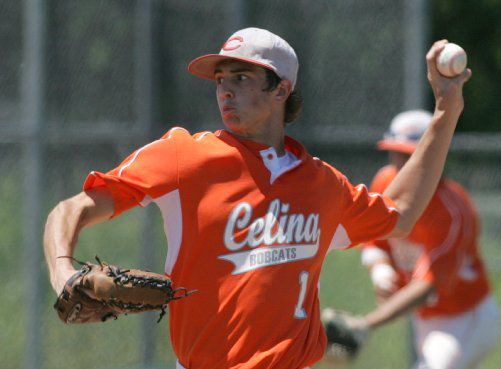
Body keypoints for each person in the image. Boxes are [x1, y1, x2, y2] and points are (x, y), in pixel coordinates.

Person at [43, 27, 471, 369]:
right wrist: (63, 273)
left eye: (242, 78)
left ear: (281, 90)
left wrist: (445, 111)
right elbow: (72, 209)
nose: (225, 90)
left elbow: (400, 213)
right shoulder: (185, 157)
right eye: (220, 79)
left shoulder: (321, 183)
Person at [337, 110, 501, 369]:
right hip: (425, 319)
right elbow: (372, 239)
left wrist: (366, 324)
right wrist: (380, 269)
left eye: (411, 155)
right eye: (396, 153)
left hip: (465, 317)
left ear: (437, 156)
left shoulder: (452, 211)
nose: (402, 164)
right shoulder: (385, 181)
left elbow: (427, 287)